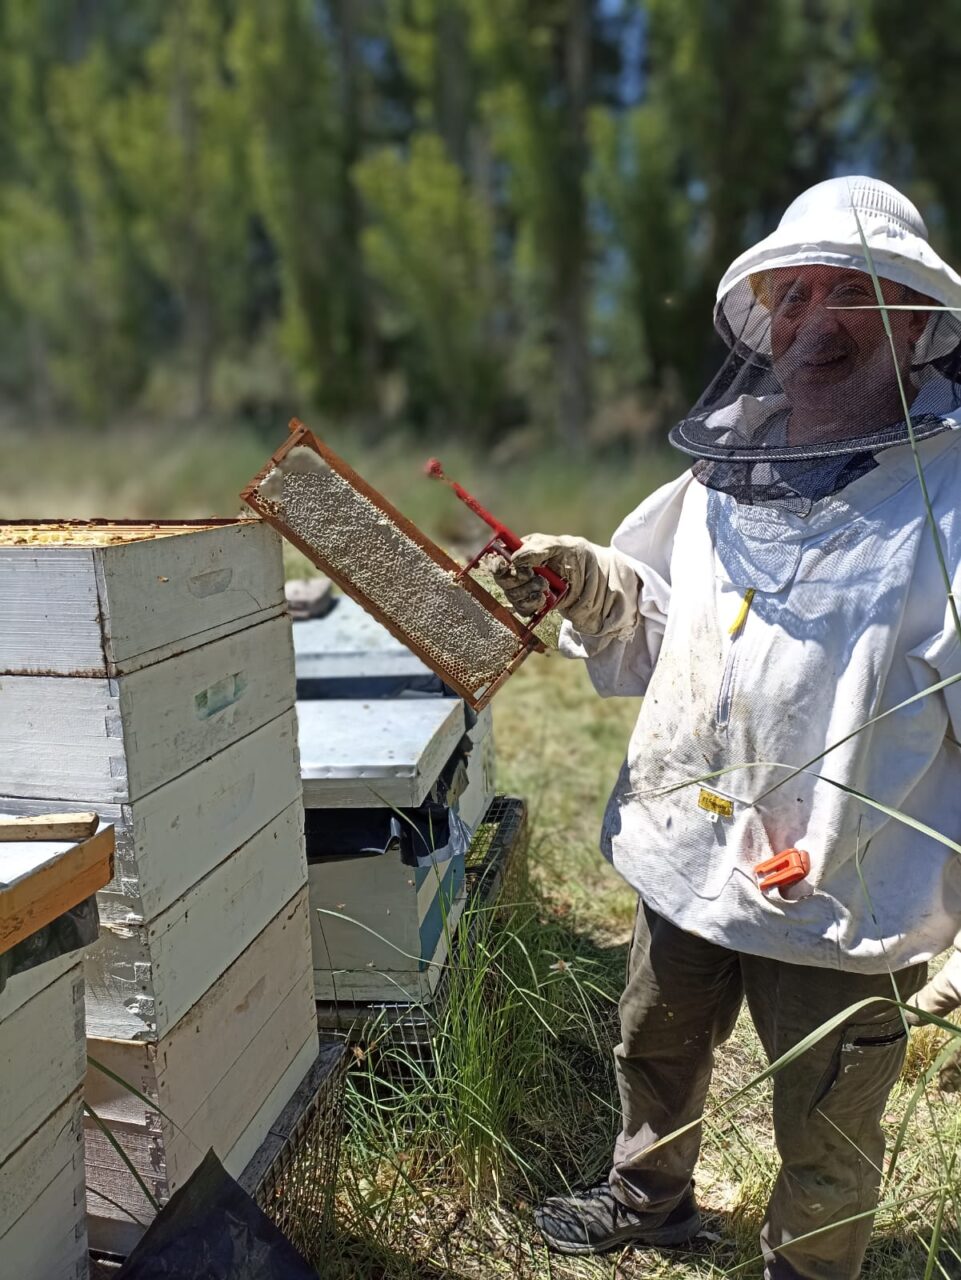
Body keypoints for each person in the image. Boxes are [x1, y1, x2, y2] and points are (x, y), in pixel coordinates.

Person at [494, 176, 961, 1280]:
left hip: (842, 883)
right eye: (790, 294)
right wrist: (586, 576)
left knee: (828, 1117)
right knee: (652, 1043)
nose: (811, 317)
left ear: (914, 323)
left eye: (849, 290)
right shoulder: (721, 477)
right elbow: (661, 624)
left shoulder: (948, 497)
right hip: (686, 847)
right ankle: (646, 1197)